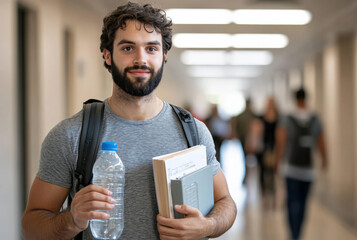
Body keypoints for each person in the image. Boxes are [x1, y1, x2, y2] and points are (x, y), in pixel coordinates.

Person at [21, 2, 237, 240]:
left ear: (164, 56)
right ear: (108, 55)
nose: (140, 59)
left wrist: (208, 226)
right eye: (127, 48)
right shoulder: (72, 135)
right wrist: (72, 219)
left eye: (151, 48)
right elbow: (32, 226)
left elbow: (225, 202)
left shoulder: (193, 132)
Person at [275, 88, 327, 240]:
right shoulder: (315, 118)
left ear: (295, 99)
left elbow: (281, 142)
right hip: (308, 170)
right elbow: (321, 142)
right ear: (306, 98)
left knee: (292, 202)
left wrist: (277, 162)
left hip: (291, 169)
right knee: (303, 205)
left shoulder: (287, 118)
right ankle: (298, 234)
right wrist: (325, 160)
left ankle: (293, 234)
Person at [258, 97, 279, 209]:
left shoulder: (279, 118)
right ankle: (264, 196)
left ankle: (274, 196)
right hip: (264, 148)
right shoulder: (262, 117)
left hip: (274, 149)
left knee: (273, 173)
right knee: (263, 173)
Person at [233, 98, 256, 183]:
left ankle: (250, 177)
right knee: (245, 159)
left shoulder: (253, 115)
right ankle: (246, 176)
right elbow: (237, 127)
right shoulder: (244, 115)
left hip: (252, 141)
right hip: (243, 140)